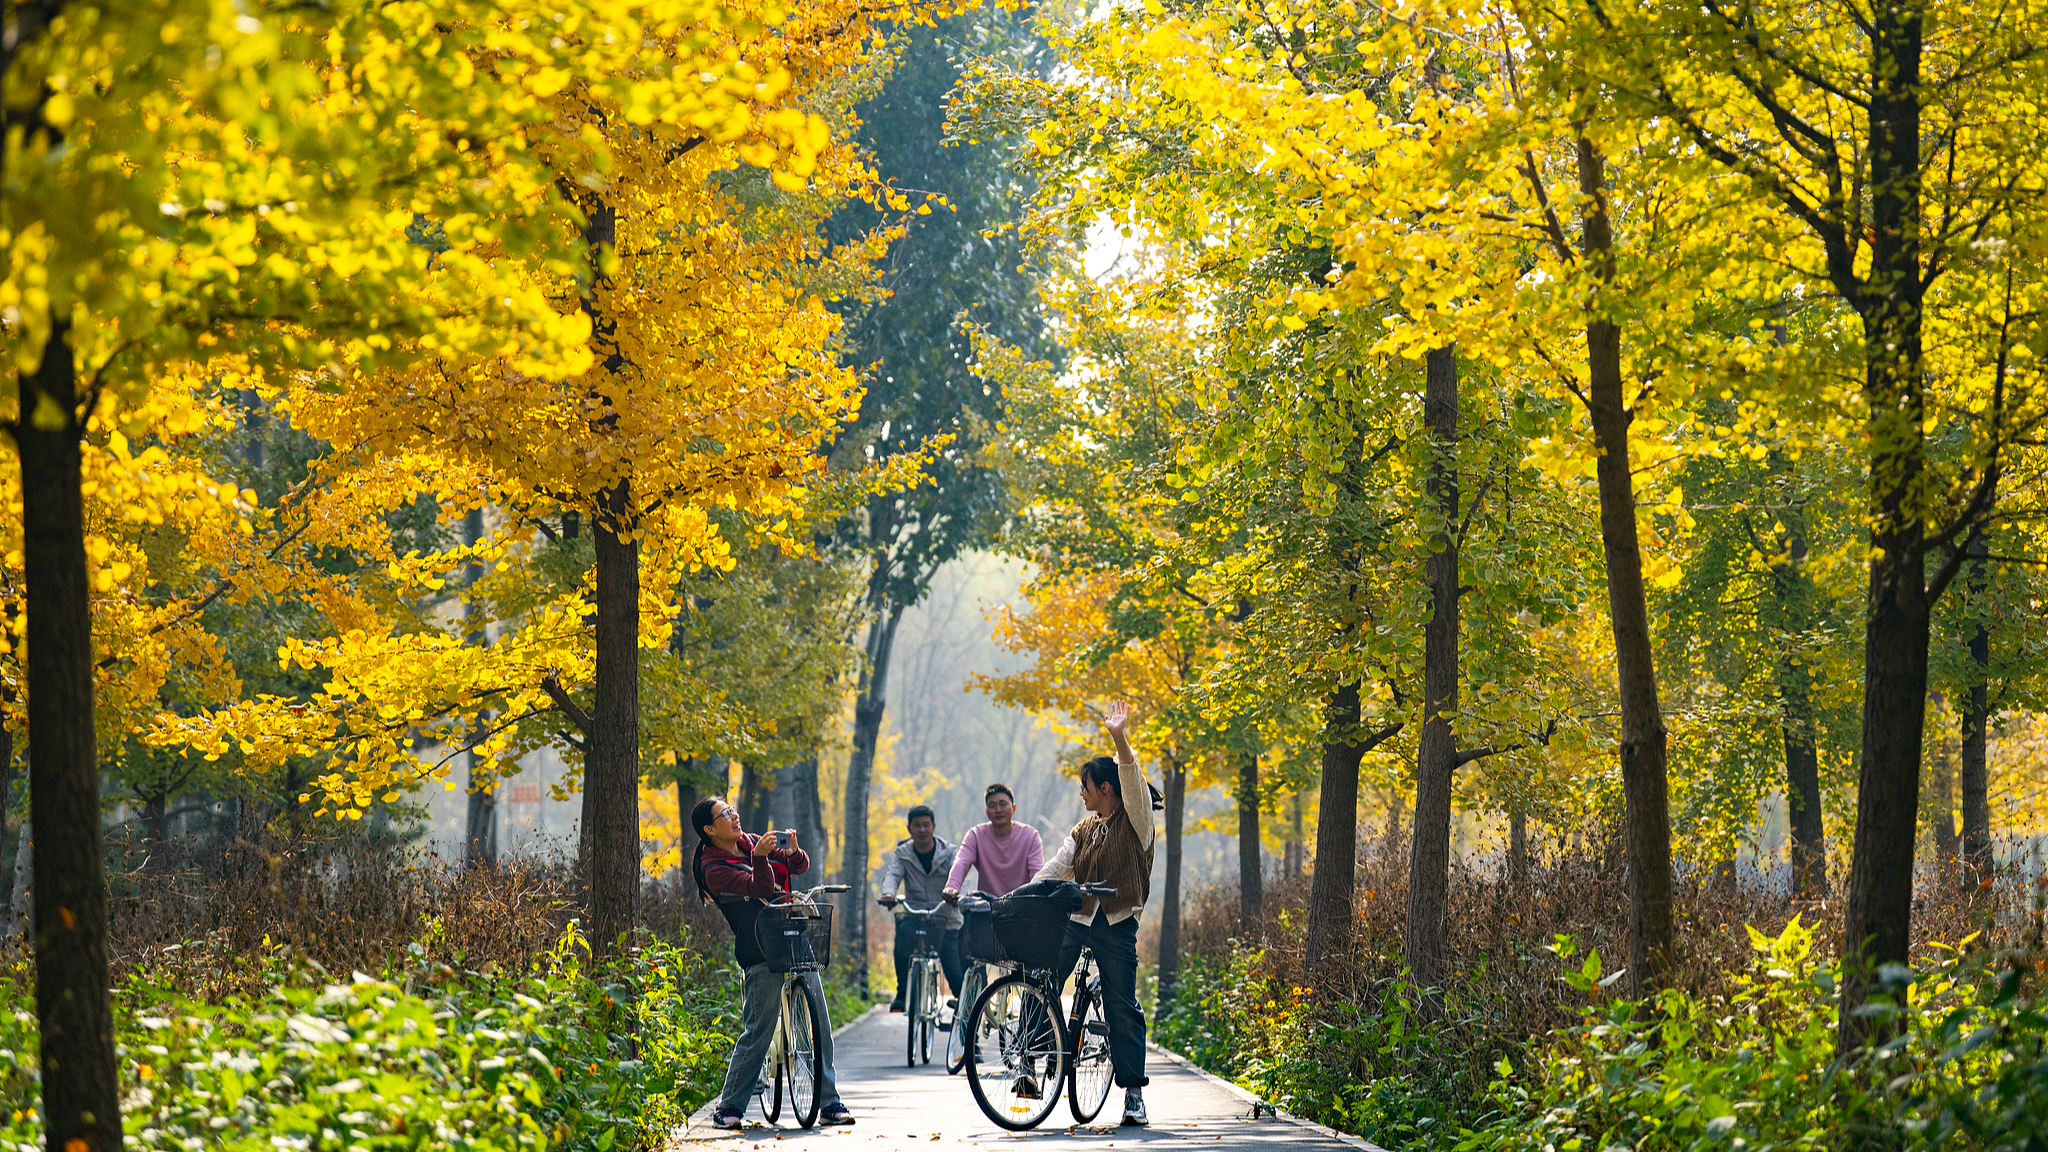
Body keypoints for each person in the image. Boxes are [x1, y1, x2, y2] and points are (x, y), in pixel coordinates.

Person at [691, 797, 855, 1129]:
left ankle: (828, 1102)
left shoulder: (749, 841)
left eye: (732, 809)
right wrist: (761, 858)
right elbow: (760, 887)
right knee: (758, 1032)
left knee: (820, 1023)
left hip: (793, 936)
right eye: (725, 814)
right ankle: (729, 1107)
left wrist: (793, 852)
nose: (733, 815)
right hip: (759, 949)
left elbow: (799, 867)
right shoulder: (714, 869)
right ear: (710, 829)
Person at [1031, 700, 1156, 1126]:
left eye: (1086, 785)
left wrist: (1119, 736)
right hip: (1078, 920)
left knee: (1121, 1004)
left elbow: (1133, 783)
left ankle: (1133, 1093)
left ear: (1105, 787)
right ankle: (1034, 1059)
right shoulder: (1084, 829)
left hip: (1117, 925)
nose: (1081, 793)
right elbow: (1058, 866)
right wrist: (1022, 894)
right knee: (1042, 977)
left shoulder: (1136, 820)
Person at [877, 804, 963, 1013]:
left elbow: (960, 875)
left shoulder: (950, 853)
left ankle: (964, 1005)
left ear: (933, 827)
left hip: (944, 918)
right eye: (917, 826)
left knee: (953, 970)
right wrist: (889, 894)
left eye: (926, 825)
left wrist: (958, 895)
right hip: (915, 915)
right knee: (901, 945)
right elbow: (893, 875)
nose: (922, 830)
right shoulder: (903, 853)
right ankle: (902, 993)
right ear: (909, 829)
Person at [942, 783, 1045, 902]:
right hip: (987, 909)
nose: (998, 810)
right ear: (987, 812)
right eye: (992, 805)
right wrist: (952, 887)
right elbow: (961, 862)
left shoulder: (1031, 836)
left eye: (1003, 804)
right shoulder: (976, 835)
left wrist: (1039, 894)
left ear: (1013, 808)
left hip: (1022, 908)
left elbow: (1037, 872)